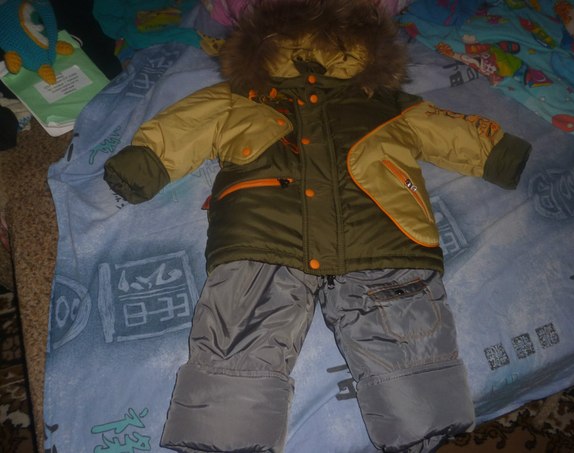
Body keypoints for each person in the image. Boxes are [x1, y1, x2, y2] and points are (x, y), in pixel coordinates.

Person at [104, 1, 532, 451]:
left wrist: (496, 151)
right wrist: (145, 162)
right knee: (237, 351)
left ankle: (421, 429)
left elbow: (445, 129)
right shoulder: (241, 98)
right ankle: (223, 439)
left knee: (411, 368)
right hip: (265, 241)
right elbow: (186, 125)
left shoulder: (385, 103)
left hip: (380, 240)